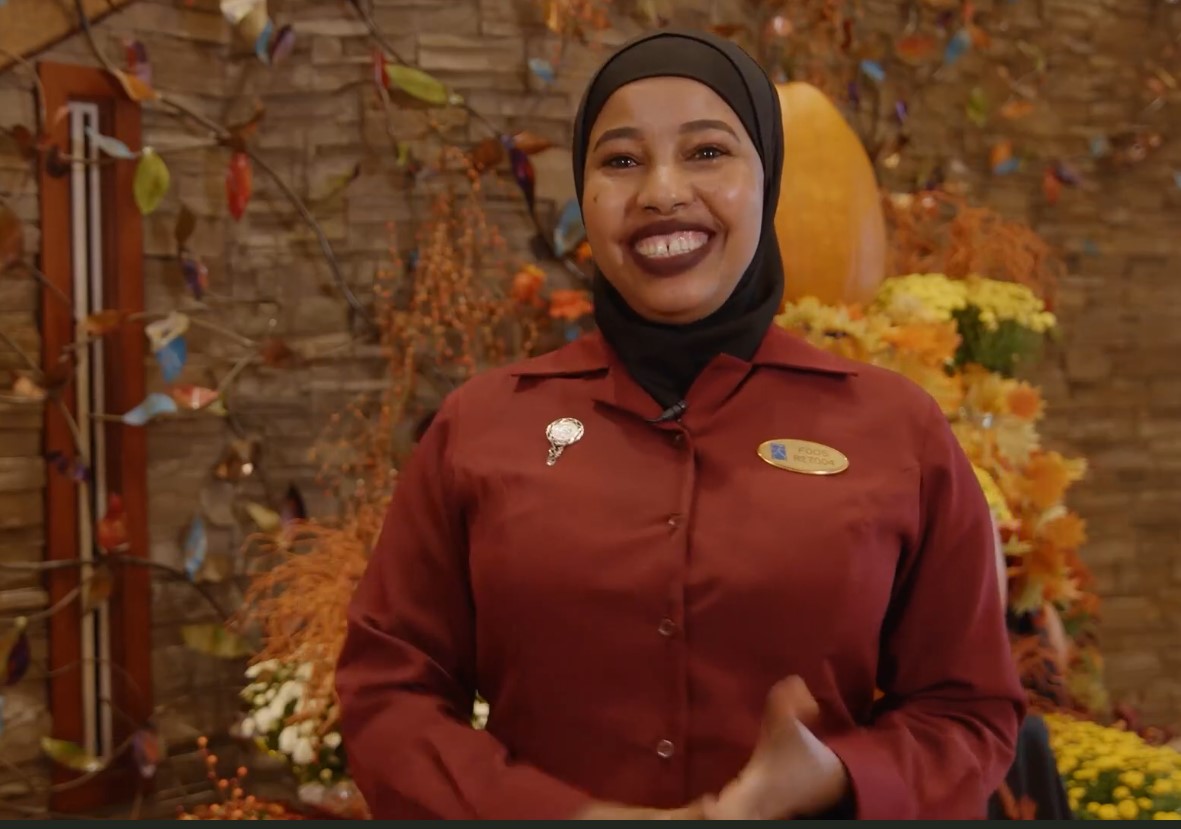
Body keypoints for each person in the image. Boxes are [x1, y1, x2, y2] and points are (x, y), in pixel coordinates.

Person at [335, 29, 1026, 820]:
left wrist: (837, 773)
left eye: (706, 152)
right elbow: (388, 692)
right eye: (621, 160)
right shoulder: (481, 427)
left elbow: (969, 712)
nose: (661, 191)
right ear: (584, 195)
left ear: (767, 181)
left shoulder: (894, 427)